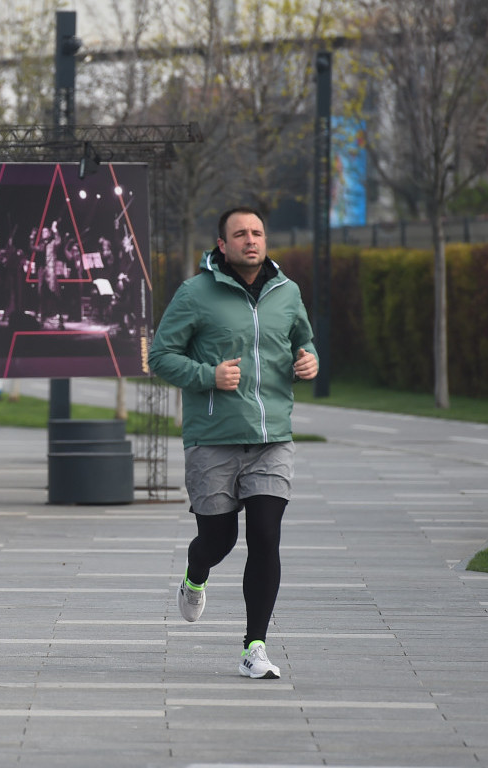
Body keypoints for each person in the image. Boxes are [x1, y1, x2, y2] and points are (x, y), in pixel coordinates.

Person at [148, 207, 318, 680]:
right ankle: (194, 573)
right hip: (213, 439)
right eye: (240, 234)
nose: (251, 240)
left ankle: (254, 647)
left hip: (271, 438)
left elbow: (304, 340)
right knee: (217, 540)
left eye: (258, 232)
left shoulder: (287, 292)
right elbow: (161, 355)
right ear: (221, 244)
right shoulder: (196, 293)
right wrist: (208, 375)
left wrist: (310, 360)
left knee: (265, 536)